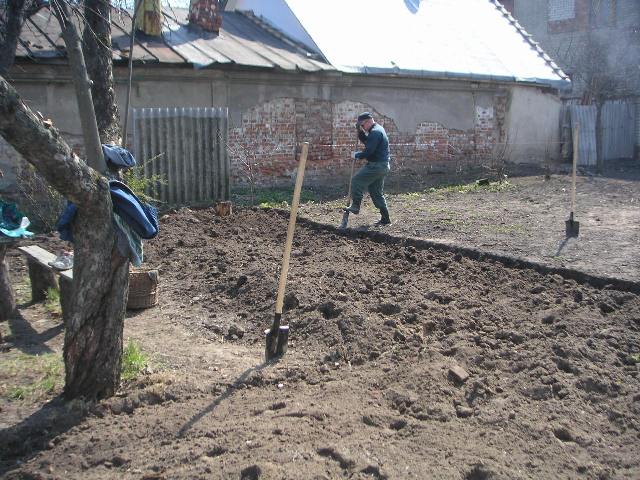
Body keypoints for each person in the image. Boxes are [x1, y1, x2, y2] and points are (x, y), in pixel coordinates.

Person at [344, 112, 391, 225]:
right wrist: (360, 132)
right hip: (383, 166)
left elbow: (369, 151)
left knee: (356, 180)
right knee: (376, 192)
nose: (363, 127)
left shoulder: (375, 132)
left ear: (369, 121)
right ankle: (386, 219)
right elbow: (368, 142)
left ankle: (355, 206)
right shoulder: (377, 129)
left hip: (376, 166)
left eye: (363, 125)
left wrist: (357, 155)